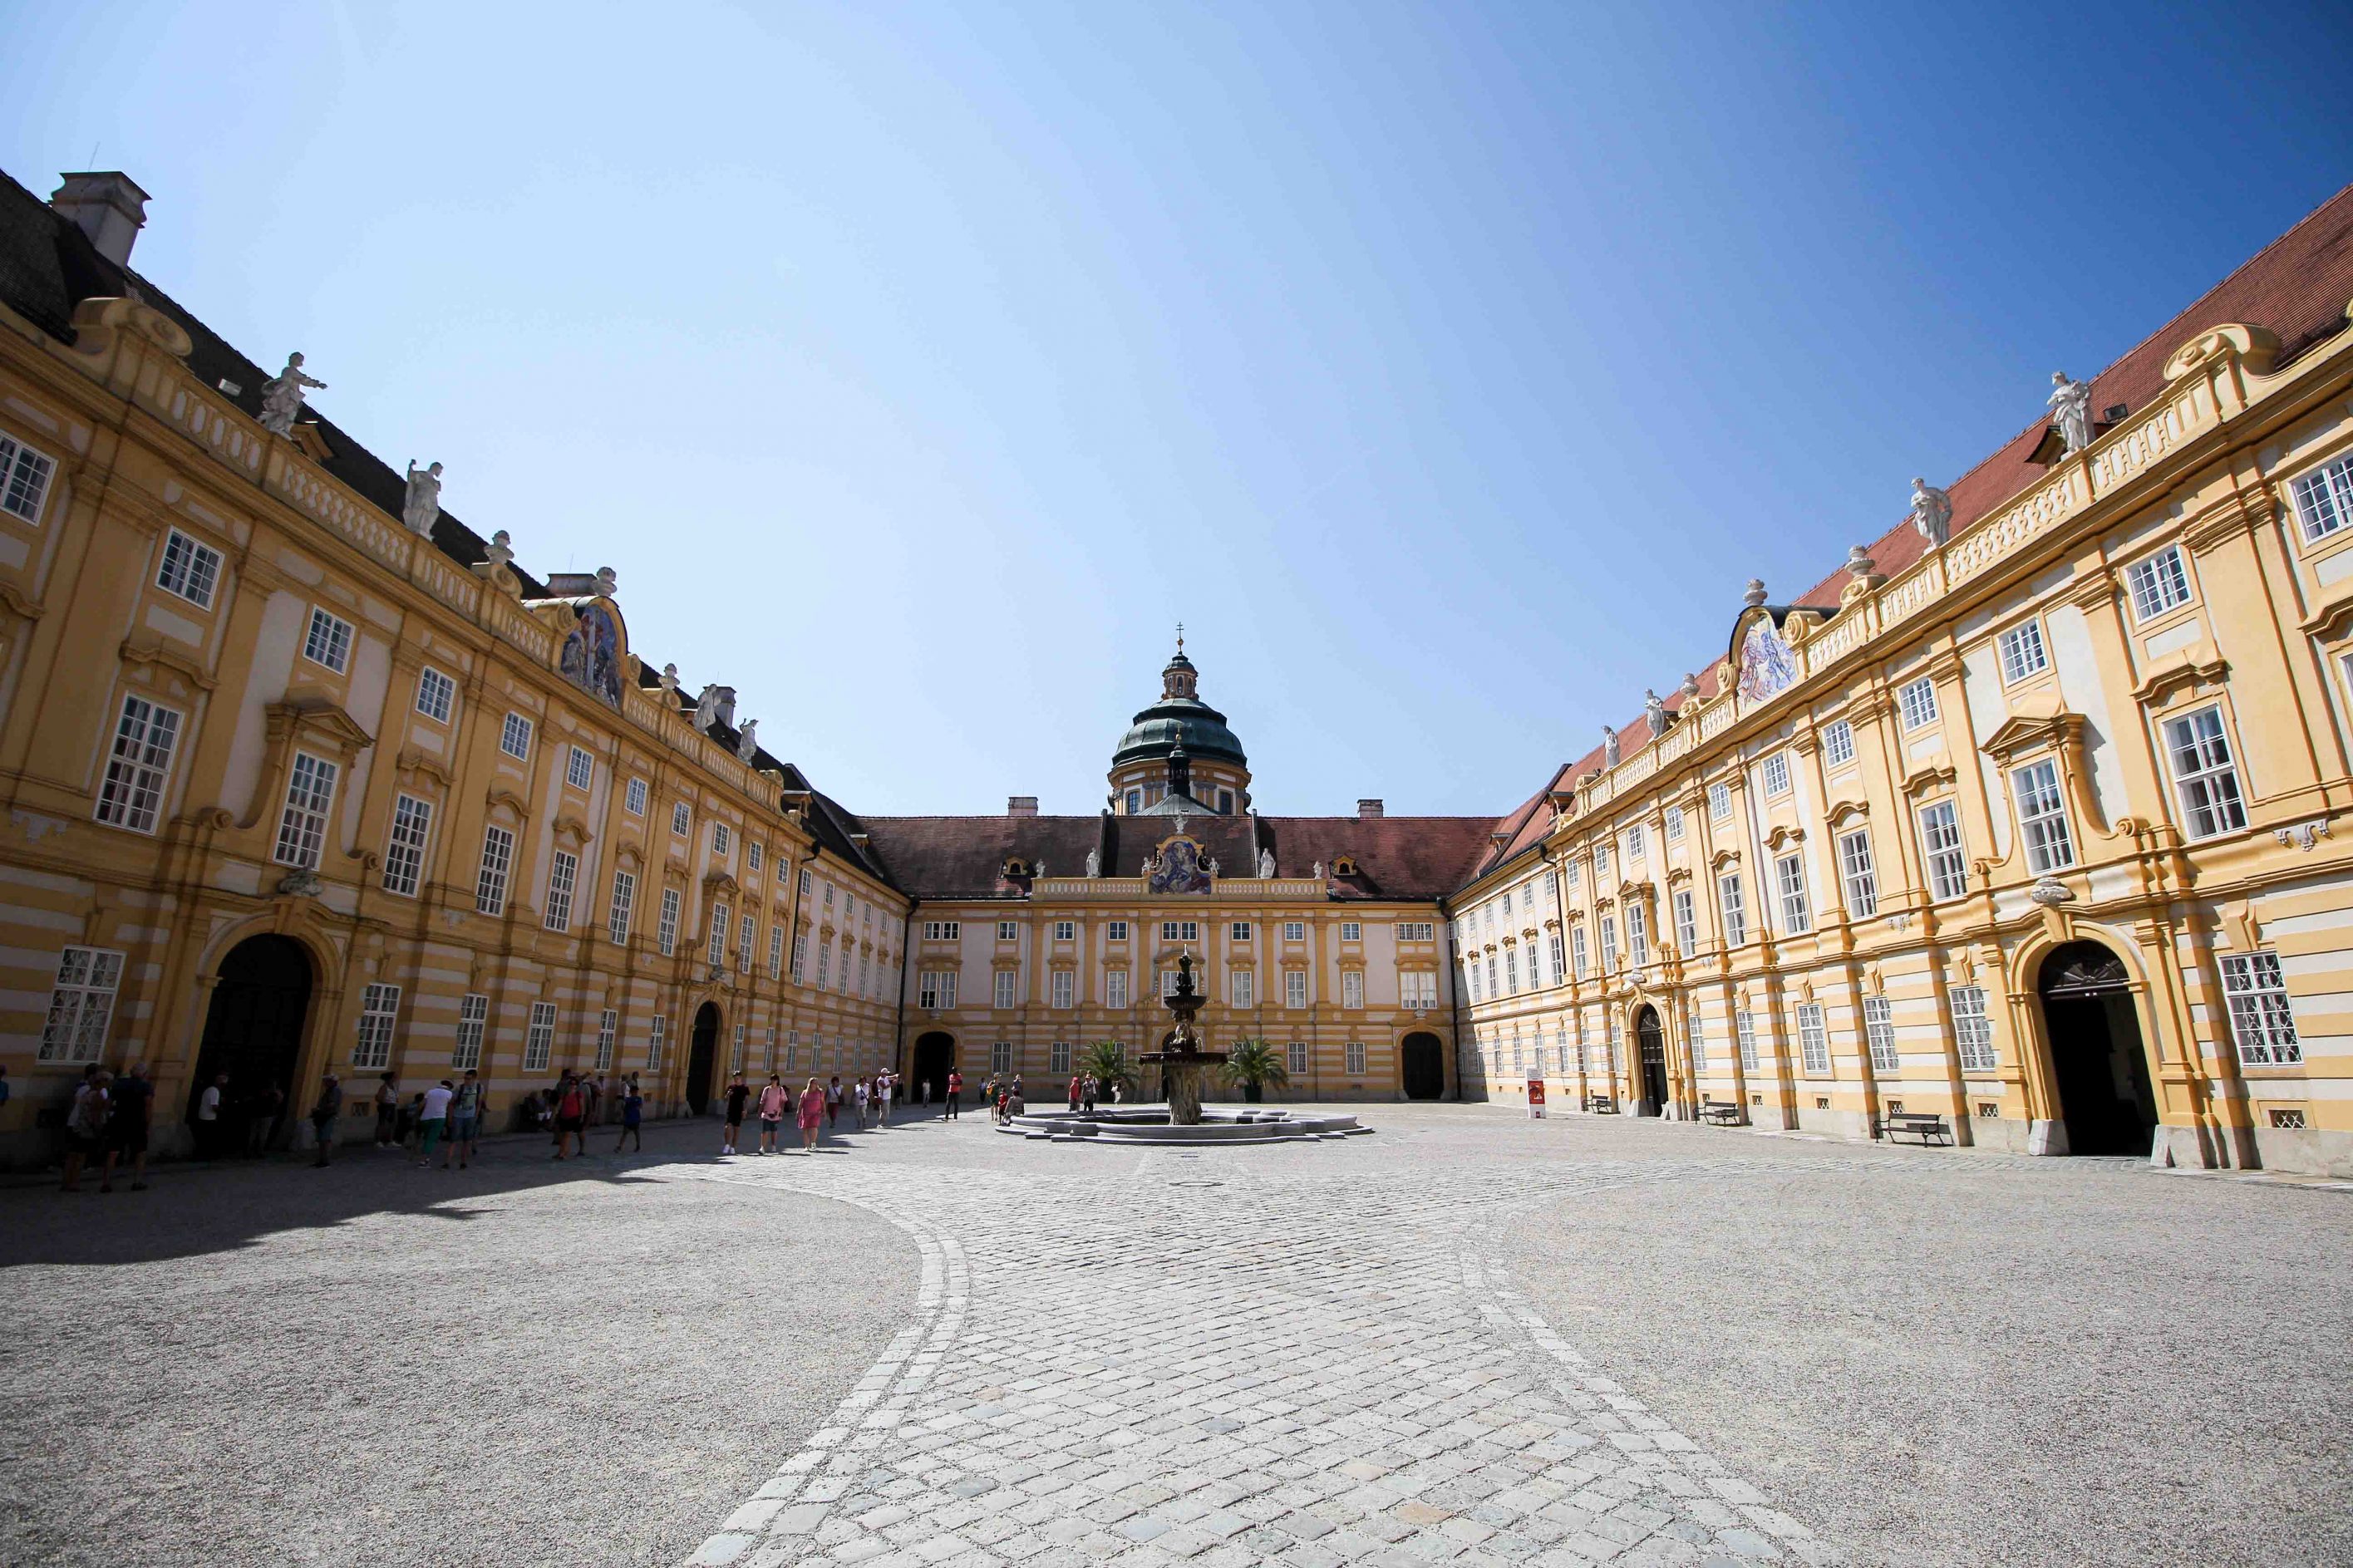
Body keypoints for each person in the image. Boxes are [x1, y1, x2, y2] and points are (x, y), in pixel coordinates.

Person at [100, 1061, 154, 1192]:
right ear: (145, 1074)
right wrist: (147, 1124)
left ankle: (106, 1183)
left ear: (131, 1072)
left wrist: (106, 1117)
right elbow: (148, 1106)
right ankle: (137, 1182)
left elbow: (108, 1102)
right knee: (140, 1153)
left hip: (118, 1120)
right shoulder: (145, 1086)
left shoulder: (118, 1084)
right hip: (137, 1122)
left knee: (112, 1153)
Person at [62, 1069, 108, 1192]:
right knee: (80, 1157)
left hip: (76, 1125)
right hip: (86, 1128)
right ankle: (74, 1183)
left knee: (72, 1156)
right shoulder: (97, 1096)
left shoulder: (85, 1093)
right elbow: (95, 1115)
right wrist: (98, 1129)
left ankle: (66, 1182)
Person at [444, 1069, 484, 1168]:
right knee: (453, 1140)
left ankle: (463, 1162)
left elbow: (479, 1102)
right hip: (458, 1116)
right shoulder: (459, 1088)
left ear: (474, 1078)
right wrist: (450, 1117)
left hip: (470, 1116)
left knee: (467, 1140)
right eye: (465, 1078)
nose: (466, 1080)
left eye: (468, 1079)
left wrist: (476, 1115)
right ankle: (447, 1162)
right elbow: (451, 1104)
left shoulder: (479, 1087)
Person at [416, 1079, 454, 1167]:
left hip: (425, 1118)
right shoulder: (449, 1094)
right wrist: (450, 1119)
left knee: (427, 1137)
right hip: (439, 1117)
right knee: (431, 1139)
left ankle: (426, 1157)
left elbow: (421, 1104)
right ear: (450, 1087)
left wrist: (417, 1115)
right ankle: (423, 1160)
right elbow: (450, 1108)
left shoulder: (431, 1092)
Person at [553, 1072, 588, 1160]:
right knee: (563, 1135)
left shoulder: (578, 1094)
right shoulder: (564, 1094)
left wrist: (582, 1116)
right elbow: (559, 1104)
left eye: (574, 1084)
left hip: (574, 1116)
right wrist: (556, 1113)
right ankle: (561, 1152)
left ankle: (564, 1153)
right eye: (571, 1084)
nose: (572, 1086)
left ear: (576, 1085)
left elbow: (582, 1106)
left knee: (568, 1135)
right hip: (564, 1116)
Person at [310, 1073, 343, 1166]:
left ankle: (325, 1160)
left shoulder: (335, 1091)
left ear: (332, 1082)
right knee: (322, 1138)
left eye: (327, 1081)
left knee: (325, 1138)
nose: (324, 1083)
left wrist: (320, 1109)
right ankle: (322, 1159)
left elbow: (332, 1104)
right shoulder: (330, 1090)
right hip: (325, 1115)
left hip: (328, 1116)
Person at [194, 1070, 228, 1160]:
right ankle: (206, 1155)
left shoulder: (209, 1089)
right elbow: (214, 1106)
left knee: (204, 1137)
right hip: (208, 1118)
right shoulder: (215, 1091)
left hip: (204, 1116)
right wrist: (223, 1111)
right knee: (208, 1138)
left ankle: (202, 1155)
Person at [246, 1079, 283, 1157]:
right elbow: (279, 1102)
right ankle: (259, 1151)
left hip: (256, 1114)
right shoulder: (273, 1094)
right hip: (267, 1115)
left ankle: (248, 1151)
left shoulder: (259, 1092)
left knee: (253, 1133)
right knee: (263, 1134)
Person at [756, 1074, 786, 1154]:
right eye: (772, 1079)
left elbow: (783, 1101)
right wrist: (759, 1111)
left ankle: (773, 1145)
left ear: (777, 1081)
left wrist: (781, 1112)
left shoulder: (781, 1090)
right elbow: (762, 1101)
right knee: (765, 1131)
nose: (773, 1081)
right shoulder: (767, 1089)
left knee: (774, 1131)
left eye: (775, 1080)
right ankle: (762, 1147)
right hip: (766, 1112)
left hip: (776, 1113)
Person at [721, 1072, 751, 1156]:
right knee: (727, 1127)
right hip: (730, 1110)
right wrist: (728, 1095)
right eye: (734, 1078)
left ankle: (733, 1147)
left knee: (736, 1130)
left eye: (737, 1078)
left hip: (739, 1111)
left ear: (741, 1078)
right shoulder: (731, 1087)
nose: (736, 1079)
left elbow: (746, 1100)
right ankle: (727, 1145)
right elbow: (725, 1099)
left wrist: (745, 1110)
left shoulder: (745, 1088)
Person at [614, 1079, 644, 1153]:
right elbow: (639, 1107)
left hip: (632, 1118)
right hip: (633, 1118)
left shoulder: (630, 1100)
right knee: (630, 1133)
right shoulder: (637, 1099)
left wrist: (623, 1115)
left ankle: (635, 1145)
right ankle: (622, 1146)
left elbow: (625, 1108)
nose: (635, 1093)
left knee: (632, 1133)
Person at [797, 1077, 825, 1153]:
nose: (816, 1084)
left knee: (814, 1127)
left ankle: (813, 1142)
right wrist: (798, 1112)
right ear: (810, 1083)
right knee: (805, 1129)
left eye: (816, 1083)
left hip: (816, 1113)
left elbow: (822, 1102)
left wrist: (824, 1111)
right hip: (806, 1113)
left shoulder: (820, 1092)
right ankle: (806, 1146)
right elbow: (801, 1103)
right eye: (814, 1083)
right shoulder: (805, 1092)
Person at [372, 1073, 399, 1150]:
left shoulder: (394, 1087)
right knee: (382, 1123)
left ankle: (390, 1140)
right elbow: (378, 1097)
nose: (394, 1079)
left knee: (393, 1123)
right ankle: (378, 1141)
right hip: (385, 1106)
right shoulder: (384, 1087)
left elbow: (396, 1096)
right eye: (393, 1078)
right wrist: (385, 1102)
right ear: (389, 1079)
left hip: (392, 1106)